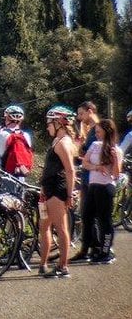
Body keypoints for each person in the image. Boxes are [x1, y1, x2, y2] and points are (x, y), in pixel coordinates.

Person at [39, 105, 77, 278]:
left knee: (61, 227)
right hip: (49, 188)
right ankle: (43, 264)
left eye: (49, 122)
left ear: (59, 123)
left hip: (57, 189)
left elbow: (70, 170)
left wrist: (69, 194)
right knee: (44, 225)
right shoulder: (57, 141)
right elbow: (49, 167)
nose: (47, 126)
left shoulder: (63, 143)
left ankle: (63, 266)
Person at [81, 119, 123, 264]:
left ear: (107, 131)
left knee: (104, 220)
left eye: (99, 131)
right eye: (96, 131)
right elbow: (84, 163)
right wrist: (97, 167)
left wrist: (115, 159)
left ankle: (106, 251)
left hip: (106, 187)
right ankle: (95, 248)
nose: (97, 134)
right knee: (87, 217)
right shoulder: (94, 145)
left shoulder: (116, 149)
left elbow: (117, 174)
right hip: (93, 185)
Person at [71, 101, 101, 261]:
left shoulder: (98, 128)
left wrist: (80, 152)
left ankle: (95, 248)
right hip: (87, 175)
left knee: (91, 213)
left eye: (81, 113)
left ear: (90, 111)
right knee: (86, 214)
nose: (79, 117)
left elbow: (90, 151)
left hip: (93, 177)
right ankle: (86, 249)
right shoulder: (90, 129)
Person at [0, 105, 33, 179]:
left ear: (6, 118)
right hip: (21, 175)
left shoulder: (0, 134)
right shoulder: (26, 136)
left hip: (4, 175)